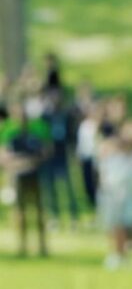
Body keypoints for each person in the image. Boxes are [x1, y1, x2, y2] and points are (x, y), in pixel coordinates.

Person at [97, 121, 132, 269]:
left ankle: (123, 255)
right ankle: (116, 254)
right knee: (113, 227)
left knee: (123, 227)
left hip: (126, 196)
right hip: (111, 195)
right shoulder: (112, 154)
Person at [0, 101, 49, 257]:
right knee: (20, 212)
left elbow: (44, 151)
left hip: (35, 175)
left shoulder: (35, 134)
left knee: (39, 211)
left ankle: (42, 246)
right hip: (18, 175)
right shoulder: (10, 134)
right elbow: (4, 156)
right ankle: (22, 246)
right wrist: (18, 163)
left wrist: (31, 161)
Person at [40, 89, 80, 229]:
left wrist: (74, 151)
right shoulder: (45, 116)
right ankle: (54, 216)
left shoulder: (66, 114)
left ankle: (73, 217)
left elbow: (72, 135)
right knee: (50, 188)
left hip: (63, 154)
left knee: (69, 188)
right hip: (49, 156)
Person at [76, 102, 103, 209]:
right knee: (88, 181)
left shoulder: (100, 125)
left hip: (97, 158)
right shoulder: (84, 126)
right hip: (86, 157)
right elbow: (81, 142)